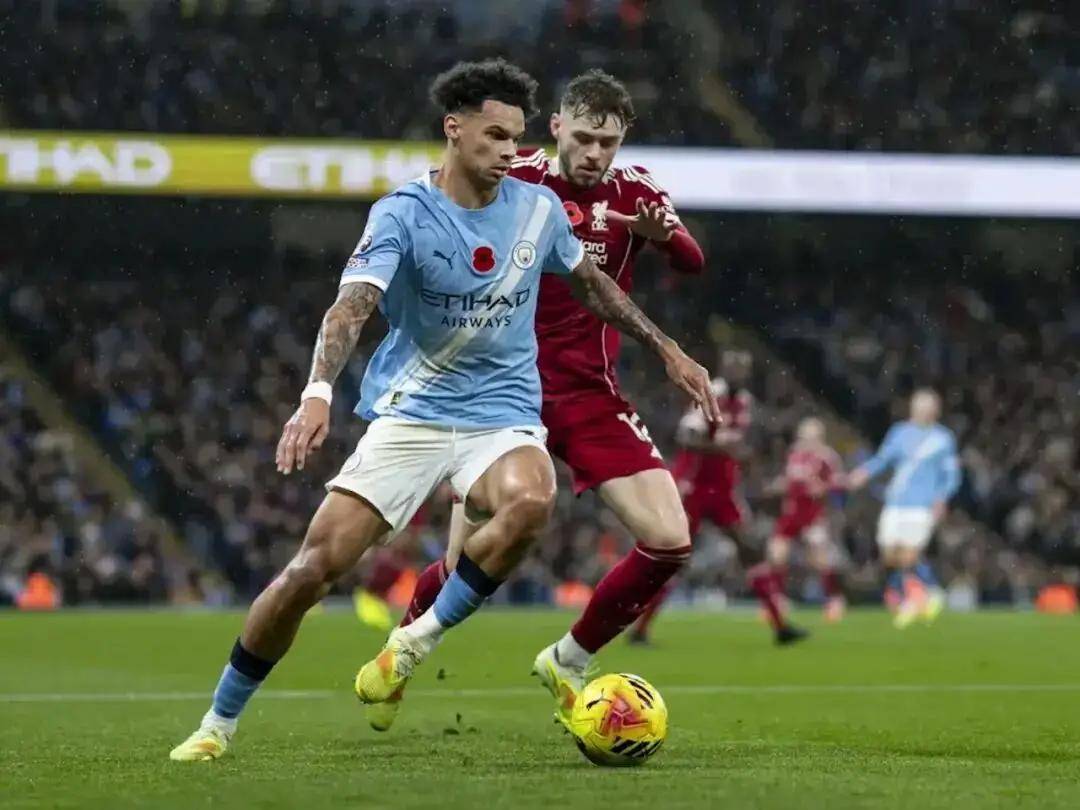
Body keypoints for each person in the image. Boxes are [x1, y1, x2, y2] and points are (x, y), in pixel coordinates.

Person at [168, 58, 716, 762]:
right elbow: (351, 306)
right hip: (414, 410)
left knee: (533, 499)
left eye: (514, 137)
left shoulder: (539, 208)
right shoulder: (403, 212)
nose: (510, 151)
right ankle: (217, 723)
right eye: (495, 136)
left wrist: (668, 348)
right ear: (454, 130)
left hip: (505, 411)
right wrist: (316, 393)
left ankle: (416, 644)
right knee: (312, 570)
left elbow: (595, 286)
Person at [369, 69, 708, 732]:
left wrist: (662, 235)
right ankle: (402, 654)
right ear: (555, 128)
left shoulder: (635, 190)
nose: (595, 154)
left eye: (608, 143)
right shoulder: (516, 171)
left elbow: (692, 260)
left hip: (587, 391)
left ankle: (567, 660)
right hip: (501, 389)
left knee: (670, 541)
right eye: (583, 138)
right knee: (467, 562)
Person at [633, 351, 755, 645]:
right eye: (733, 367)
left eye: (742, 369)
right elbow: (686, 437)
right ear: (724, 368)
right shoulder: (710, 393)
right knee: (674, 556)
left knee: (749, 548)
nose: (738, 373)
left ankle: (780, 624)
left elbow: (735, 444)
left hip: (722, 490)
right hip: (694, 488)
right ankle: (639, 626)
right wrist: (721, 448)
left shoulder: (744, 401)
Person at [847, 389, 960, 629]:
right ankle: (929, 590)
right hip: (896, 501)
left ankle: (915, 598)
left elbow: (951, 474)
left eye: (928, 406)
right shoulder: (899, 432)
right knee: (889, 554)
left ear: (936, 410)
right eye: (919, 406)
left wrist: (942, 498)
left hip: (922, 504)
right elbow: (883, 459)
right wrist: (863, 472)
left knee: (910, 553)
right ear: (912, 408)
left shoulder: (942, 438)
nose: (923, 410)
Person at [749, 417, 846, 642]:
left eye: (811, 436)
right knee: (776, 555)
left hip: (813, 515)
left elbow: (839, 482)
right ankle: (777, 602)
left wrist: (822, 487)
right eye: (803, 436)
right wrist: (778, 486)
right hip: (790, 514)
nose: (806, 440)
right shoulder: (794, 454)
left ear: (820, 438)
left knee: (819, 558)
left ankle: (834, 600)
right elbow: (790, 479)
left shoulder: (827, 457)